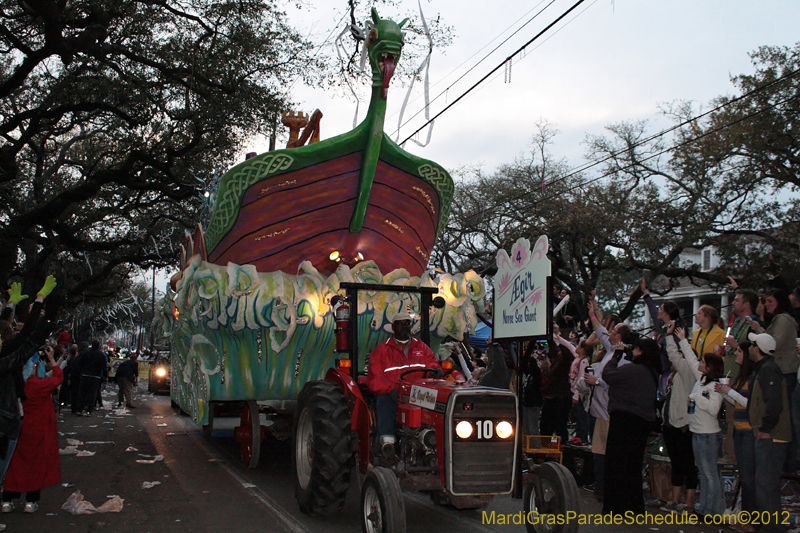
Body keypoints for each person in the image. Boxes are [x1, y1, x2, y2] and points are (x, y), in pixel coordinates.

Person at [367, 312, 442, 456]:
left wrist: (436, 370)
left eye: (407, 323)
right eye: (401, 323)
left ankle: (430, 440)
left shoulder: (421, 347)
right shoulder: (382, 350)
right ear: (394, 327)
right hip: (394, 392)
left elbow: (432, 362)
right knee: (384, 399)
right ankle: (387, 441)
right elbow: (375, 377)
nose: (405, 327)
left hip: (418, 392)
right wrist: (391, 390)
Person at [668, 325, 725, 517]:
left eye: (703, 362)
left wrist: (696, 398)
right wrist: (683, 340)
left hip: (709, 434)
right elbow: (691, 360)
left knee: (710, 474)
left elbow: (714, 409)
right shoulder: (700, 379)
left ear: (709, 368)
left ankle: (713, 510)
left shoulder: (714, 386)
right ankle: (704, 507)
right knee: (703, 472)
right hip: (697, 432)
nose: (699, 363)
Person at [601, 337, 661, 516]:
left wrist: (616, 355)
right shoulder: (652, 372)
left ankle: (615, 507)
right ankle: (634, 506)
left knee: (616, 464)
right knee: (633, 465)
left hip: (623, 420)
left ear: (641, 352)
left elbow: (608, 374)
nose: (632, 351)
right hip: (642, 422)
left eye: (636, 349)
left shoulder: (632, 370)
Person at [2, 345, 62, 514]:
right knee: (36, 467)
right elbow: (58, 376)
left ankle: (7, 500)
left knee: (13, 465)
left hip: (17, 427)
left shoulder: (12, 385)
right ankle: (31, 501)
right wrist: (51, 358)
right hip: (39, 430)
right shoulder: (39, 385)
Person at [747, 289, 799, 472]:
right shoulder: (776, 321)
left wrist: (761, 334)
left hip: (786, 372)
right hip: (781, 371)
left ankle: (791, 462)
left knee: (787, 417)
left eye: (769, 301)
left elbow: (774, 344)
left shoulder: (783, 319)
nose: (766, 304)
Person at [746, 332, 791, 533]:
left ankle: (771, 529)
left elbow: (774, 404)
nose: (749, 348)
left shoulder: (768, 370)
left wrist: (765, 428)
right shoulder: (766, 368)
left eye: (752, 344)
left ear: (757, 348)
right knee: (766, 485)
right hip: (771, 435)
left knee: (766, 485)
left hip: (772, 437)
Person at [716, 340, 757, 520]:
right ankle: (743, 513)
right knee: (743, 472)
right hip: (739, 429)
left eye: (739, 351)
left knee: (748, 475)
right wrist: (726, 393)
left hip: (749, 430)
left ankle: (749, 516)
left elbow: (752, 405)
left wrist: (730, 392)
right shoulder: (740, 376)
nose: (736, 354)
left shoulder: (753, 378)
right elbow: (738, 402)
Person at [76, 338, 107, 416]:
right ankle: (89, 410)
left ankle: (79, 409)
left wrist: (81, 371)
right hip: (95, 376)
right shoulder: (101, 354)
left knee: (82, 393)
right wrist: (105, 376)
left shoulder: (86, 353)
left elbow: (80, 363)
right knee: (92, 394)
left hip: (85, 375)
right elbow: (104, 366)